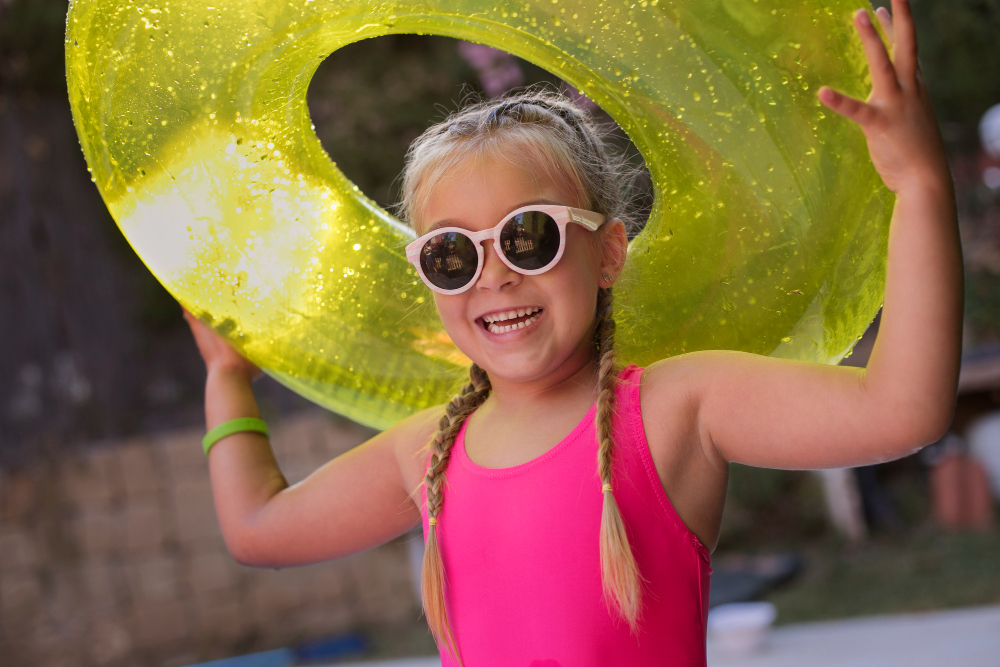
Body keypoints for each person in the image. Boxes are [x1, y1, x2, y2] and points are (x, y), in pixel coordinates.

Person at [182, 2, 962, 664]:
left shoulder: (676, 407)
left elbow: (903, 410)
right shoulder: (424, 454)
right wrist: (226, 378)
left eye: (528, 237)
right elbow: (258, 527)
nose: (493, 275)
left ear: (607, 252)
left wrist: (919, 187)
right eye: (452, 255)